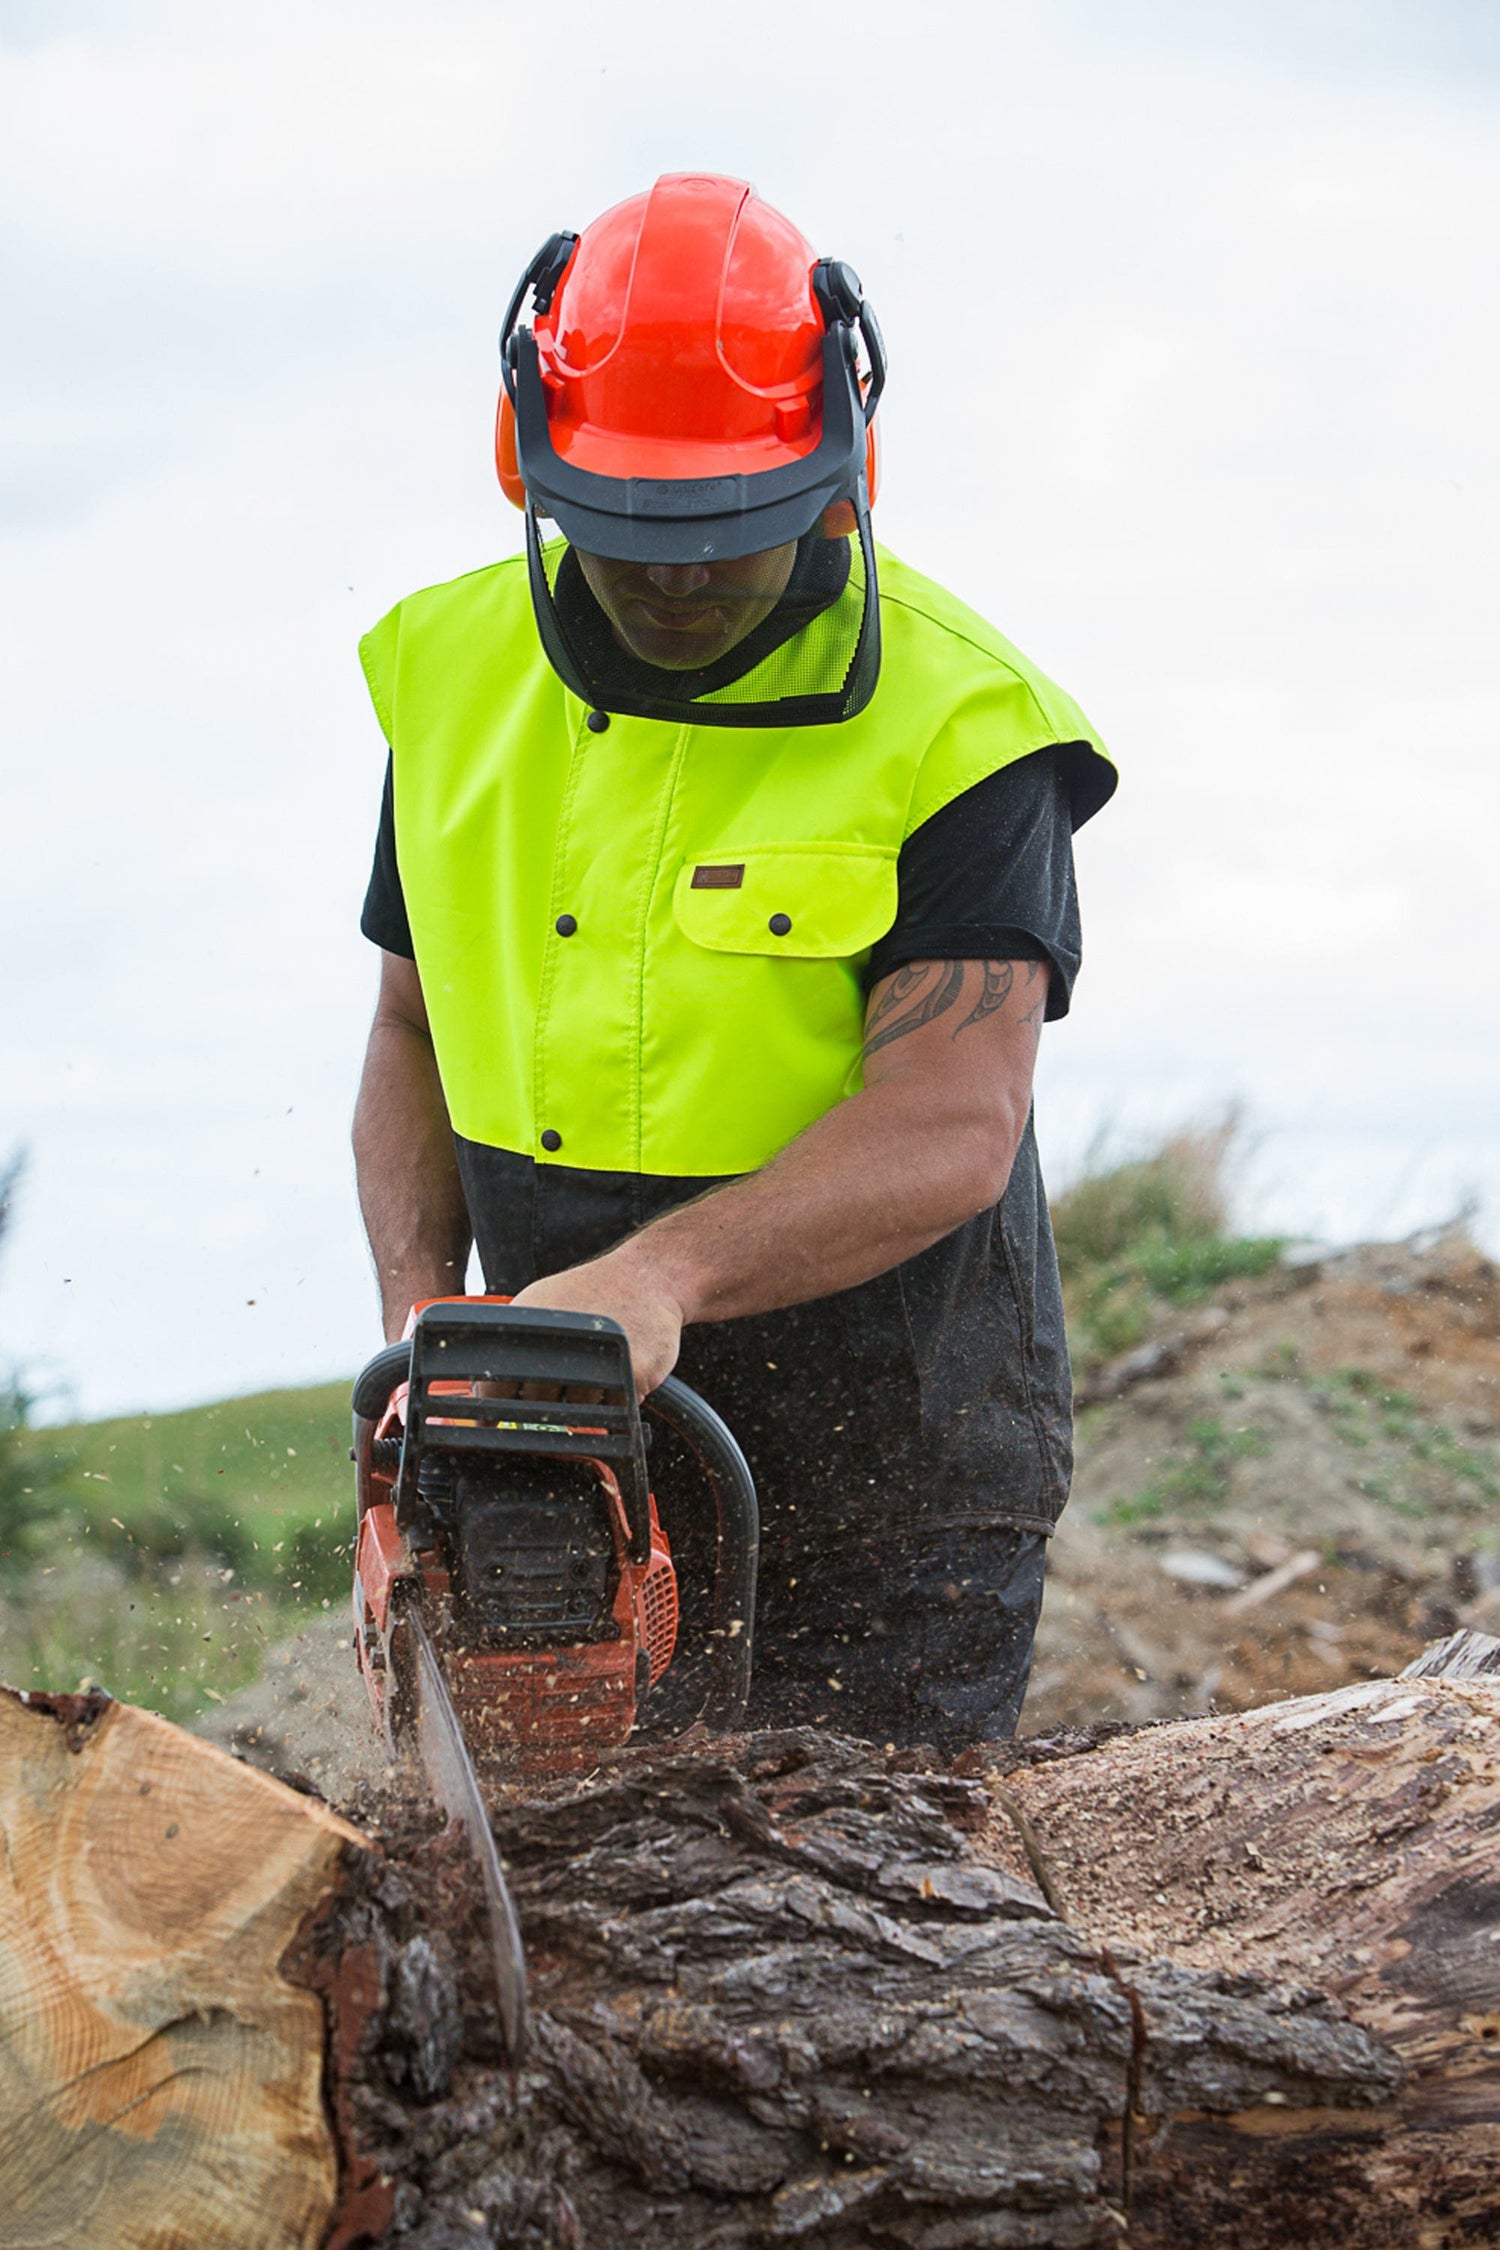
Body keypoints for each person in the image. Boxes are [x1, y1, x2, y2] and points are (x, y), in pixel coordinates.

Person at [353, 173, 1115, 1751]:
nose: (678, 578)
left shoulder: (968, 730)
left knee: (868, 1935)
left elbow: (955, 1118)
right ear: (536, 462)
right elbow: (413, 1034)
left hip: (894, 1488)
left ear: (837, 474)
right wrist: (428, 1352)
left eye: (724, 537)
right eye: (634, 537)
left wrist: (661, 1275)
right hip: (565, 1469)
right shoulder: (451, 678)